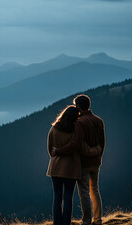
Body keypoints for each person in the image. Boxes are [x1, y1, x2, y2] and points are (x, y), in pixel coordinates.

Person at [52, 94, 105, 225]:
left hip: (84, 163)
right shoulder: (99, 120)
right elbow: (102, 142)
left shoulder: (80, 123)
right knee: (95, 190)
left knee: (84, 192)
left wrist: (58, 151)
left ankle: (86, 220)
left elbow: (75, 144)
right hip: (96, 162)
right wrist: (98, 156)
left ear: (79, 106)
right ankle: (97, 220)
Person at [46, 105, 81, 225]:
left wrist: (56, 158)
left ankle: (57, 223)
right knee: (68, 198)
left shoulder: (54, 129)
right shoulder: (75, 131)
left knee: (57, 198)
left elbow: (49, 149)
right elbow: (77, 147)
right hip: (71, 168)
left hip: (55, 168)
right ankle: (66, 223)